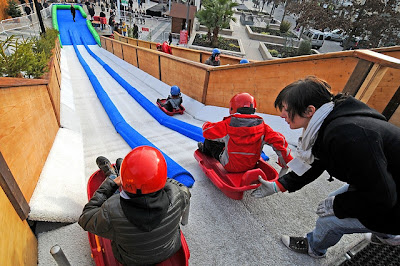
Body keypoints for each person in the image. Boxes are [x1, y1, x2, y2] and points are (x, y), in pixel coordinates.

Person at [252, 76, 400, 258]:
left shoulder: (347, 135)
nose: (281, 114)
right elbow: (315, 162)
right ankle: (389, 235)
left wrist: (339, 206)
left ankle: (314, 248)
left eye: (285, 109)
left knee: (329, 220)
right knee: (333, 200)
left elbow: (383, 196)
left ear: (309, 110)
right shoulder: (332, 119)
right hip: (387, 180)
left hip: (391, 198)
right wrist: (278, 185)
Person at [79, 146, 191, 265]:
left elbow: (85, 218)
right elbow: (181, 188)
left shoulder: (111, 208)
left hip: (130, 260)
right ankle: (119, 172)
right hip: (170, 249)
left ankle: (112, 175)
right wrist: (152, 178)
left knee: (117, 195)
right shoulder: (178, 193)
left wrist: (111, 184)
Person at [198, 92, 293, 173]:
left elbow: (207, 132)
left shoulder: (227, 124)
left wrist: (206, 124)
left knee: (209, 141)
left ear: (232, 108)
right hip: (251, 165)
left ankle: (205, 151)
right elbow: (279, 141)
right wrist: (285, 161)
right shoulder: (263, 127)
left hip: (230, 166)